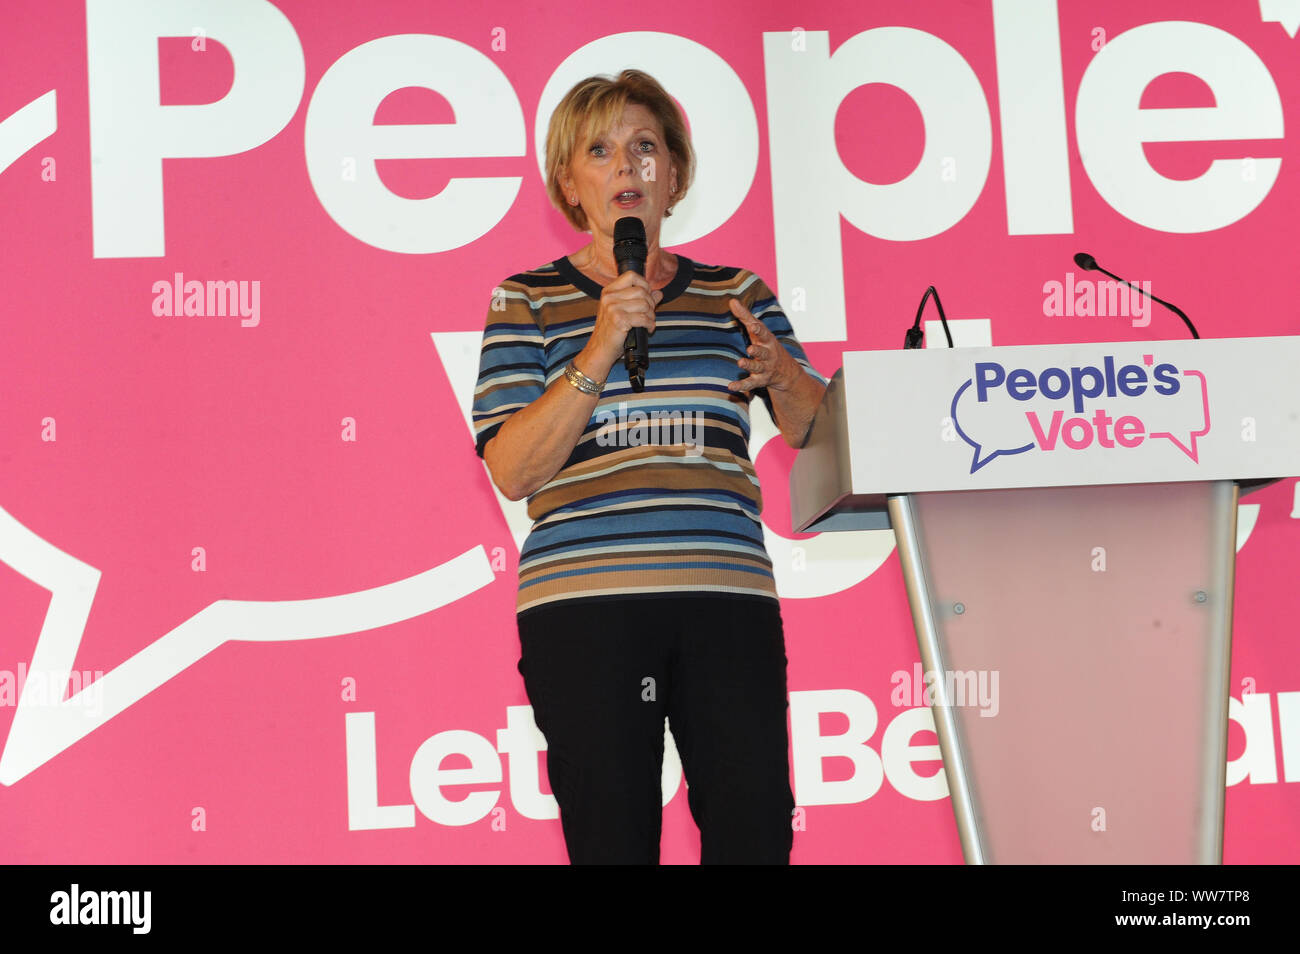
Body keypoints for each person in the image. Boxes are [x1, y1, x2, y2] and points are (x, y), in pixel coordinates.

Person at [471, 69, 827, 864]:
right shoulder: (523, 300)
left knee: (756, 829)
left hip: (724, 603)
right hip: (588, 610)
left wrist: (783, 374)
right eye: (599, 151)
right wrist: (601, 343)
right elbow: (515, 468)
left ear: (674, 173)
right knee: (612, 840)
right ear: (569, 183)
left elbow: (815, 432)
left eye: (644, 147)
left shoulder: (737, 293)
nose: (626, 168)